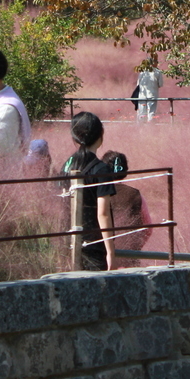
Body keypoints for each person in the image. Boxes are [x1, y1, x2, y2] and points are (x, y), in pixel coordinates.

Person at [61, 112, 119, 271]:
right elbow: (103, 214)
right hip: (93, 245)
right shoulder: (101, 170)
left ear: (75, 138)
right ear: (101, 135)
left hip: (66, 243)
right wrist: (111, 253)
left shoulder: (67, 165)